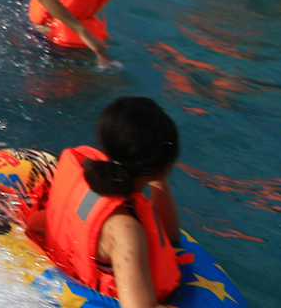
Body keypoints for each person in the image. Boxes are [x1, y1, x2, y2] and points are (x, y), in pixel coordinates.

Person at [24, 97, 183, 308]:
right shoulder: (125, 230)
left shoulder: (88, 178)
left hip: (58, 277)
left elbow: (169, 237)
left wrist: (158, 174)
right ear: (164, 167)